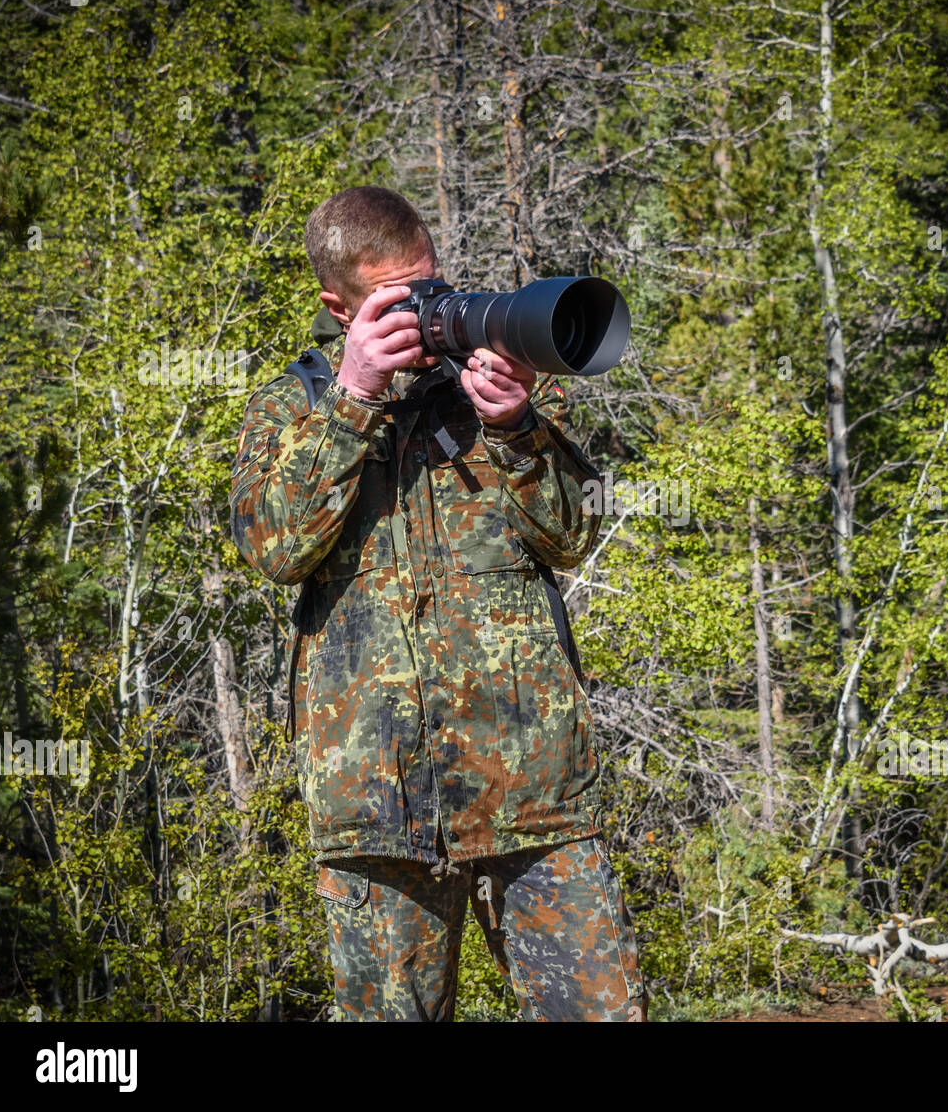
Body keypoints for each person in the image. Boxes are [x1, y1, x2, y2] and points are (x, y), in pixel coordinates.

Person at [229, 185, 646, 1022]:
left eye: (432, 283)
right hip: (377, 803)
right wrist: (353, 400)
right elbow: (274, 549)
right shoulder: (293, 407)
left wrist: (520, 428)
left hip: (533, 787)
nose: (426, 311)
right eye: (397, 298)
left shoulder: (500, 386)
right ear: (337, 305)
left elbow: (573, 536)